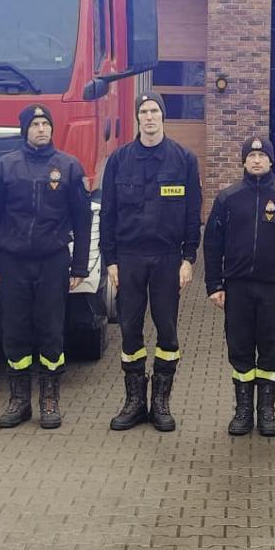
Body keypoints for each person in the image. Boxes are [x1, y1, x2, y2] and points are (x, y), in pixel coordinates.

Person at [0, 104, 92, 429]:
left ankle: (49, 400)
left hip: (53, 260)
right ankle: (19, 401)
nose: (41, 129)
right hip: (12, 261)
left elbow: (82, 220)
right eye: (35, 124)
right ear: (24, 130)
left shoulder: (69, 167)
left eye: (46, 124)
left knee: (50, 331)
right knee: (14, 331)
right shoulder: (5, 166)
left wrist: (80, 267)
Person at [99, 93, 202, 432]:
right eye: (143, 112)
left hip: (167, 258)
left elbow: (192, 214)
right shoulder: (119, 160)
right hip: (128, 258)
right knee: (129, 328)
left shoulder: (183, 159)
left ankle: (160, 403)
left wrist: (188, 259)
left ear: (163, 116)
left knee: (167, 329)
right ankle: (134, 402)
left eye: (154, 111)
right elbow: (109, 214)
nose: (149, 117)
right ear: (137, 118)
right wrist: (110, 259)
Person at [204, 137, 275, 437]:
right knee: (239, 349)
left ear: (271, 161)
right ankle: (242, 411)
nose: (257, 160)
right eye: (251, 155)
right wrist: (214, 284)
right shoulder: (228, 198)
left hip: (274, 289)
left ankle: (266, 411)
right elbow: (212, 244)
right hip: (236, 288)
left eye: (262, 155)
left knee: (270, 349)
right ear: (243, 161)